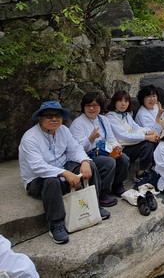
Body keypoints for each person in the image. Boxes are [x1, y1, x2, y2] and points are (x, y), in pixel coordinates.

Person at [18, 101, 110, 244]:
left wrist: (85, 161)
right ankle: (56, 224)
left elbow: (75, 149)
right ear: (40, 119)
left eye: (57, 115)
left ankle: (94, 205)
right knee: (52, 181)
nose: (54, 119)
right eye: (49, 116)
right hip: (37, 179)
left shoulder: (63, 130)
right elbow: (37, 167)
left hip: (62, 167)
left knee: (90, 166)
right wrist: (65, 173)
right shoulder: (30, 138)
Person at [69, 92, 130, 205]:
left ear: (100, 107)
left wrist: (115, 149)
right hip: (88, 156)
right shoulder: (78, 123)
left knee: (123, 158)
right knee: (108, 162)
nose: (91, 108)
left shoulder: (103, 120)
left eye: (95, 105)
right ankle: (102, 193)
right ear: (83, 107)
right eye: (88, 105)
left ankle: (117, 186)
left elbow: (111, 138)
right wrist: (90, 139)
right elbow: (76, 149)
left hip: (103, 151)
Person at [106, 91, 160, 180]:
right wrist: (147, 137)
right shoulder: (110, 117)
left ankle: (154, 167)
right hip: (120, 149)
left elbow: (136, 128)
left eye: (126, 101)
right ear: (114, 102)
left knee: (154, 140)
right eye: (120, 101)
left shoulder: (126, 115)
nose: (123, 104)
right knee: (147, 144)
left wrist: (150, 132)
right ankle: (141, 172)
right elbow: (124, 136)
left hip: (129, 145)